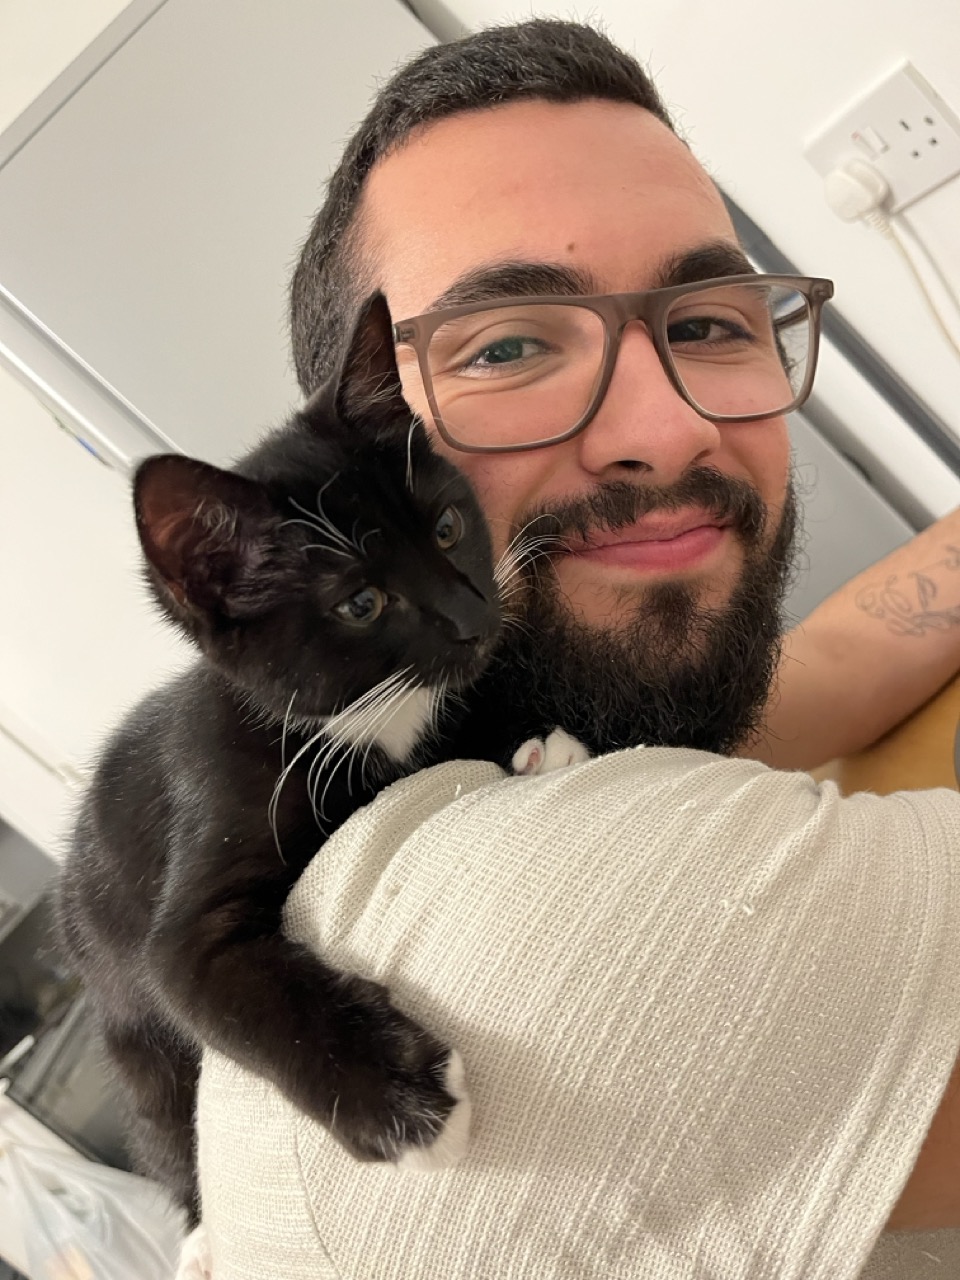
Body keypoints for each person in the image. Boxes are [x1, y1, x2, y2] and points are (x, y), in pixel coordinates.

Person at [191, 20, 960, 1278]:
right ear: (373, 445)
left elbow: (832, 666)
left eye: (708, 318)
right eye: (507, 346)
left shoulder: (481, 745)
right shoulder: (546, 921)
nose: (671, 426)